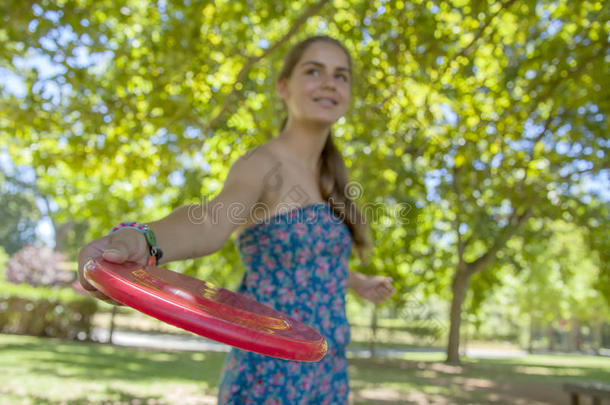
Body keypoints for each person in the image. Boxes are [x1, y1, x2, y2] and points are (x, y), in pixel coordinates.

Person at [78, 35, 395, 404]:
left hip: (328, 369)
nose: (329, 82)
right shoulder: (261, 165)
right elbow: (209, 219)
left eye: (341, 76)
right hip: (270, 374)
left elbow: (311, 262)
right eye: (313, 71)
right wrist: (144, 239)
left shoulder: (333, 180)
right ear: (283, 87)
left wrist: (357, 281)